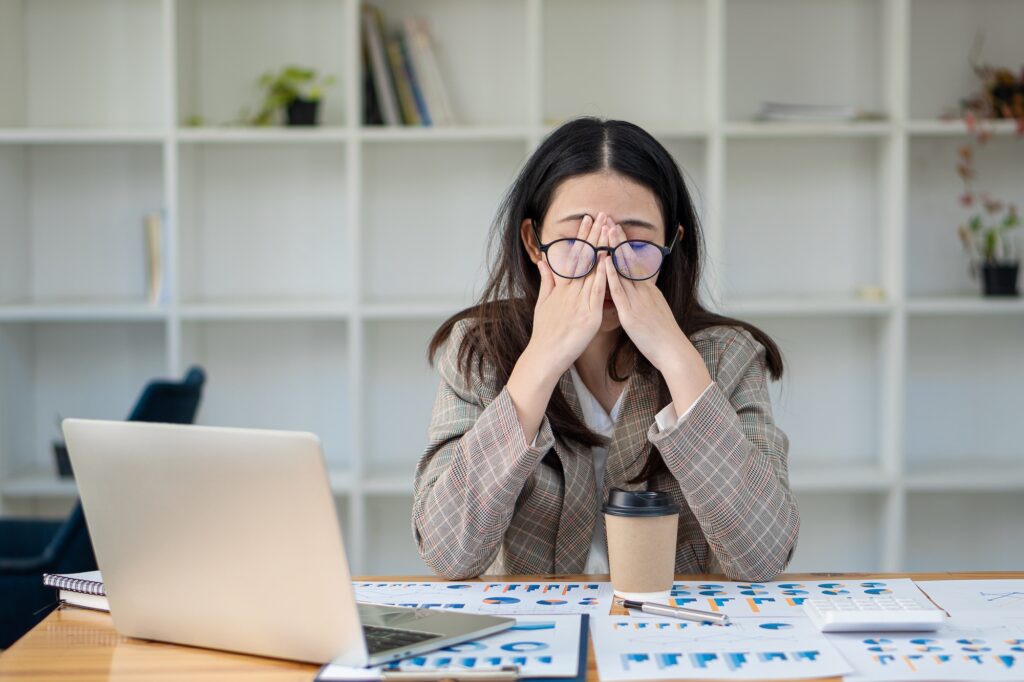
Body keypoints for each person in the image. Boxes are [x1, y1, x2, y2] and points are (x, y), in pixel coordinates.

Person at [412, 117, 799, 581]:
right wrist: (539, 362)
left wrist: (677, 360)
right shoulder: (479, 351)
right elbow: (446, 553)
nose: (605, 267)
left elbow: (763, 557)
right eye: (577, 240)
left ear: (671, 244)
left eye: (633, 242)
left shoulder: (728, 356)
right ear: (534, 243)